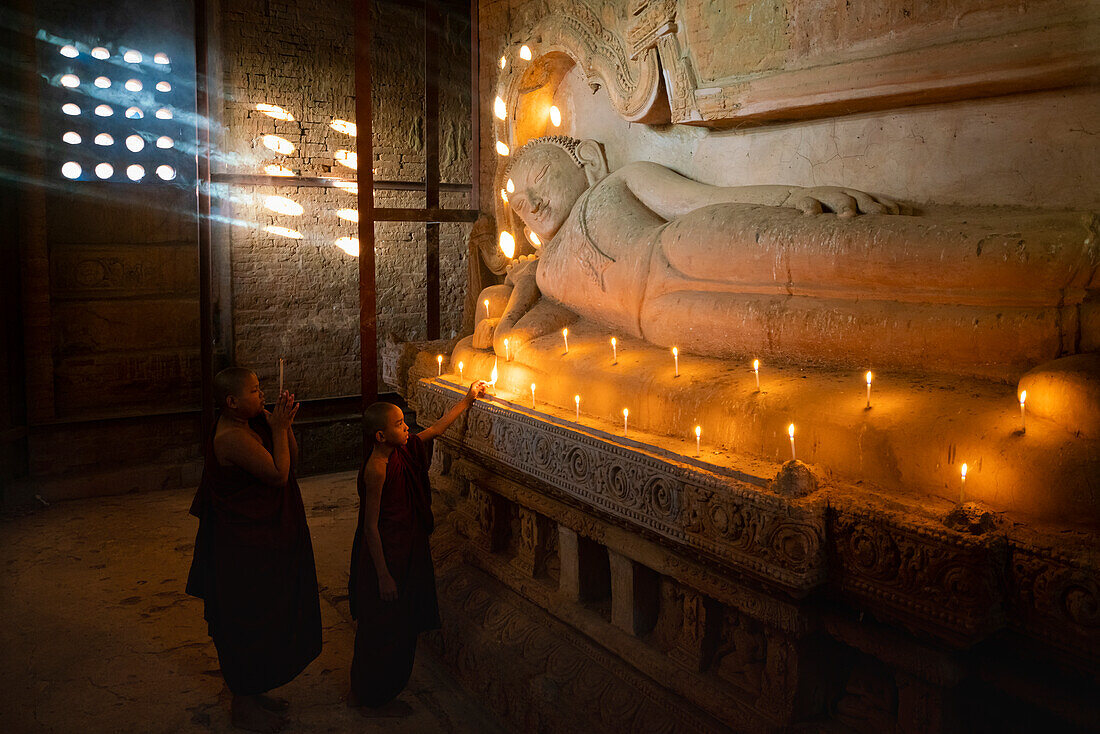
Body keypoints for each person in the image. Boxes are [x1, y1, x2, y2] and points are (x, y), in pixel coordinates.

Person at [481, 135, 1095, 379]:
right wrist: (504, 319)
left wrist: (798, 194)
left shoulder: (614, 187)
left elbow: (709, 199)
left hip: (689, 245)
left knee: (849, 259)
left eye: (538, 172)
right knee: (842, 329)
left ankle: (1069, 260)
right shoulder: (547, 269)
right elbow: (518, 318)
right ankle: (1058, 329)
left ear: (581, 161)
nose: (531, 198)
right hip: (669, 323)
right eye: (521, 198)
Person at [186, 367, 322, 733]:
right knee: (247, 619)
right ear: (231, 402)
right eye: (254, 391)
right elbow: (277, 474)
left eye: (261, 389)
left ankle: (255, 690)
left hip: (265, 539)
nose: (262, 396)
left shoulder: (253, 422)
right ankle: (243, 704)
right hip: (242, 548)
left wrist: (283, 425)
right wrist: (277, 429)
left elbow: (291, 463)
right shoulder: (230, 436)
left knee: (271, 612)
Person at [349, 381, 487, 715]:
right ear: (380, 436)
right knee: (383, 628)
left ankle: (385, 691)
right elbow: (370, 525)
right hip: (387, 555)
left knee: (403, 624)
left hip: (408, 548)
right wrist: (383, 575)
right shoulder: (377, 469)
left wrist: (467, 399)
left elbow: (437, 428)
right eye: (399, 424)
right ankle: (372, 696)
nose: (406, 427)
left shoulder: (405, 449)